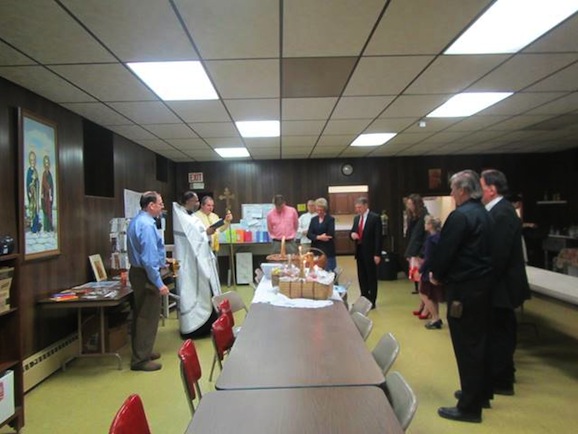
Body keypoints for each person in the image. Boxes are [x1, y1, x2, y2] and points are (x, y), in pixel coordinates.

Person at [430, 170, 493, 423]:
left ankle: (469, 407)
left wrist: (436, 274)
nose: (451, 194)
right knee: (480, 342)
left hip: (464, 290)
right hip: (483, 287)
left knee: (467, 347)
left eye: (453, 190)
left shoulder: (460, 216)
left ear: (464, 190)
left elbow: (446, 251)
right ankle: (480, 393)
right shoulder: (485, 214)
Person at [480, 169, 531, 396]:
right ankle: (498, 374)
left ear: (491, 190)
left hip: (503, 287)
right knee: (496, 332)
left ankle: (502, 379)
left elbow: (498, 256)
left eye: (480, 188)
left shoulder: (502, 213)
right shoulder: (497, 211)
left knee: (501, 333)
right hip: (500, 285)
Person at [126, 191, 170, 372]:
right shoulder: (147, 226)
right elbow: (149, 259)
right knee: (147, 317)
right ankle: (140, 360)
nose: (162, 207)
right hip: (145, 275)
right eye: (160, 204)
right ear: (151, 205)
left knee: (141, 313)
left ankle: (143, 350)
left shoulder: (138, 221)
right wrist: (159, 283)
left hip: (137, 273)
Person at [173, 191, 221, 338]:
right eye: (195, 201)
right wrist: (206, 233)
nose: (197, 204)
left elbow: (199, 235)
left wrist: (208, 232)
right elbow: (195, 238)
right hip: (191, 262)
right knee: (195, 291)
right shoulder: (182, 217)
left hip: (200, 258)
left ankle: (208, 325)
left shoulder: (189, 216)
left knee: (207, 291)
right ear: (187, 202)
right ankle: (195, 328)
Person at [350, 197, 382, 309]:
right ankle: (364, 297)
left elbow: (378, 237)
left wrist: (377, 254)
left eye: (359, 207)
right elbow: (352, 231)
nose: (357, 210)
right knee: (361, 276)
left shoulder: (375, 218)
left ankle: (372, 300)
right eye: (356, 208)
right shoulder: (356, 218)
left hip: (371, 252)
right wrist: (352, 235)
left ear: (365, 206)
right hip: (359, 251)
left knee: (371, 276)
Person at [419, 216, 444, 330]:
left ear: (430, 225)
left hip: (428, 270)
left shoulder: (430, 240)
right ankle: (436, 317)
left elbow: (428, 258)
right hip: (437, 268)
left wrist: (421, 269)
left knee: (424, 293)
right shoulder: (440, 237)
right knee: (433, 294)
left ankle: (435, 317)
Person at [404, 194, 429, 302]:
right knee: (418, 279)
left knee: (423, 281)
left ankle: (426, 307)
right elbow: (411, 237)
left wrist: (421, 253)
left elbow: (424, 237)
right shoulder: (413, 217)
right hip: (414, 252)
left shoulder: (424, 217)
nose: (409, 206)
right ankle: (423, 305)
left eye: (411, 204)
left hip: (420, 253)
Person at [307, 197, 336, 271]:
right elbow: (309, 234)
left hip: (327, 250)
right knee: (316, 271)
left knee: (329, 271)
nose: (319, 212)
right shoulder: (313, 220)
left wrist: (315, 236)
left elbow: (330, 234)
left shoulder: (330, 219)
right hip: (316, 249)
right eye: (317, 210)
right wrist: (319, 237)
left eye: (321, 210)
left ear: (325, 209)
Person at [26, 150, 41, 233]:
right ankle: (33, 228)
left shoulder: (35, 171)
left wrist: (36, 181)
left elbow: (37, 182)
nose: (33, 162)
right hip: (31, 195)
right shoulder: (29, 171)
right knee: (32, 211)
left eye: (34, 160)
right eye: (31, 160)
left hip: (36, 195)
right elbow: (28, 183)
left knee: (36, 211)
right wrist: (30, 188)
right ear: (29, 161)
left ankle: (36, 226)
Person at [41, 154, 54, 232]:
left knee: (50, 210)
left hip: (49, 196)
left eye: (47, 163)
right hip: (45, 196)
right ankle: (46, 227)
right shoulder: (43, 174)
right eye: (45, 163)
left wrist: (52, 194)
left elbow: (52, 185)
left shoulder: (50, 175)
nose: (46, 165)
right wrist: (42, 194)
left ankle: (50, 226)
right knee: (45, 211)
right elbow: (43, 185)